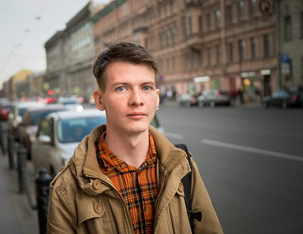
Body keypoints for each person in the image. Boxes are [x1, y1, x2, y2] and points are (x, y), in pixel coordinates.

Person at [47, 42, 223, 233]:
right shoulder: (67, 188)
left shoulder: (182, 166)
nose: (137, 100)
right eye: (122, 88)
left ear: (156, 98)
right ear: (99, 100)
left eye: (146, 87)